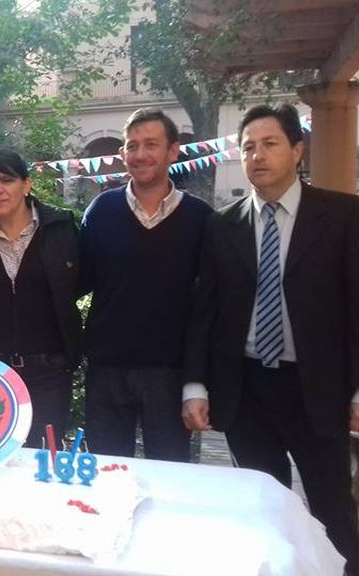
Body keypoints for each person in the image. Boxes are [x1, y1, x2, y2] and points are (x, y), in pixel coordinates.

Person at [182, 103, 359, 576]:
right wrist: (196, 385)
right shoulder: (223, 224)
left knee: (333, 511)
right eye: (248, 147)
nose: (257, 155)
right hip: (246, 390)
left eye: (270, 144)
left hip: (315, 388)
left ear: (298, 150)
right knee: (264, 511)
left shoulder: (343, 215)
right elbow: (205, 312)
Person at [80, 109, 212, 461]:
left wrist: (197, 381)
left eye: (151, 144)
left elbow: (208, 306)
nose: (140, 154)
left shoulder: (200, 219)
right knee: (106, 473)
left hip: (170, 374)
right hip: (107, 372)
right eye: (133, 145)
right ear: (122, 153)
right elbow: (78, 281)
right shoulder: (101, 211)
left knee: (171, 474)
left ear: (173, 151)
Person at [0, 148, 82, 447]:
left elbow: (81, 282)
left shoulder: (60, 229)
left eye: (7, 180)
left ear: (26, 184)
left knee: (43, 454)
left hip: (48, 371)